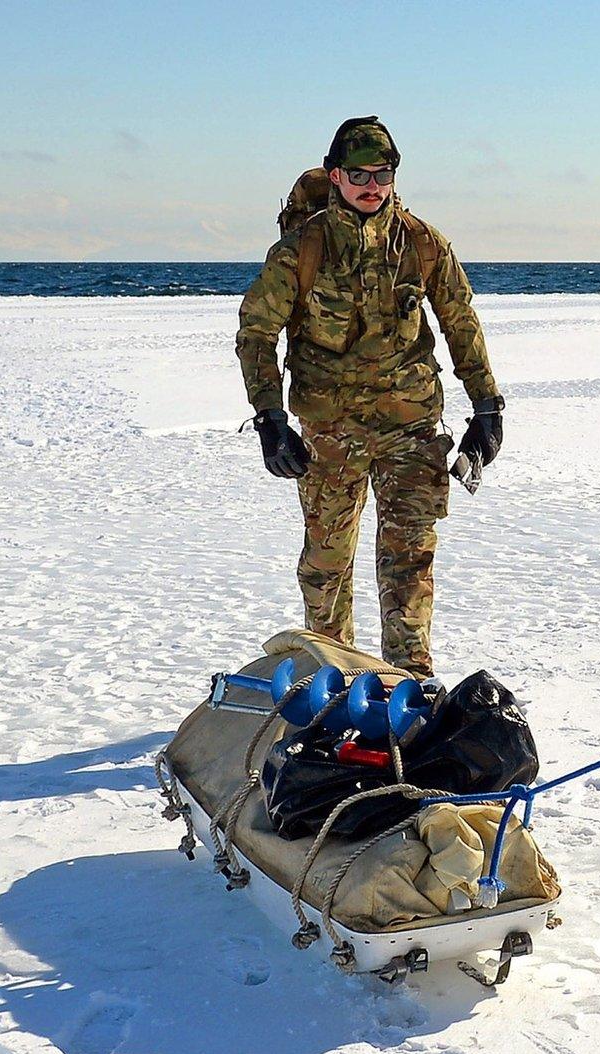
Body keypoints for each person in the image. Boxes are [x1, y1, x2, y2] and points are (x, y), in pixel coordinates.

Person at [235, 117, 503, 677]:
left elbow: (459, 320)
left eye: (383, 174)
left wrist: (486, 406)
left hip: (412, 428)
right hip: (331, 435)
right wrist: (270, 418)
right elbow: (257, 332)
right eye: (359, 174)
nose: (372, 185)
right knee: (327, 565)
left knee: (409, 561)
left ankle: (410, 683)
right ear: (336, 176)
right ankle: (335, 678)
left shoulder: (422, 242)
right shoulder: (301, 249)